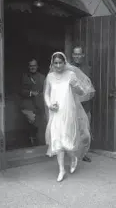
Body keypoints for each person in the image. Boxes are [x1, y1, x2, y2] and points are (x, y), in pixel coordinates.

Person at [44, 52, 95, 182]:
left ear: (64, 62)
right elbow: (46, 94)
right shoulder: (50, 77)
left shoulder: (71, 75)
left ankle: (73, 157)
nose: (58, 65)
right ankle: (61, 170)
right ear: (52, 63)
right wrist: (50, 104)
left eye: (60, 62)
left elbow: (82, 92)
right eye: (55, 63)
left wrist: (75, 85)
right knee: (57, 140)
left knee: (68, 140)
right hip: (55, 112)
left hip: (69, 112)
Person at [71, 46, 93, 163]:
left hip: (85, 104)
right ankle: (73, 153)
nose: (77, 56)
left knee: (85, 130)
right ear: (72, 55)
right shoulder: (69, 68)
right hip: (74, 103)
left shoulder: (87, 68)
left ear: (83, 55)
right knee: (74, 129)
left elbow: (89, 85)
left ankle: (84, 153)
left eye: (79, 54)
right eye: (75, 54)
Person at [20, 58, 46, 146]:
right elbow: (20, 91)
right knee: (31, 123)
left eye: (34, 65)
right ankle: (30, 144)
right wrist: (31, 93)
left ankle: (40, 145)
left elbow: (47, 90)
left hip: (41, 105)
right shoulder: (24, 77)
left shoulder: (42, 77)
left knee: (42, 125)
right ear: (28, 67)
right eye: (31, 66)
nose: (32, 67)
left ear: (37, 66)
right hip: (28, 105)